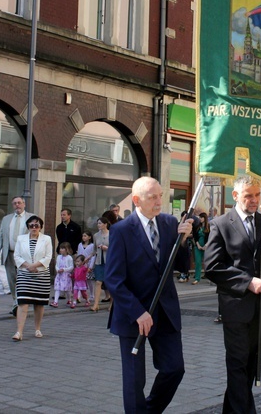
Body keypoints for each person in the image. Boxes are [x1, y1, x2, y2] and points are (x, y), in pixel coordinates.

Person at [204, 174, 261, 414]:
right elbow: (212, 267)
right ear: (235, 196)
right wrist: (247, 282)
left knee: (251, 365)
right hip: (236, 305)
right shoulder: (221, 224)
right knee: (237, 364)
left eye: (257, 195)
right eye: (248, 196)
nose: (254, 200)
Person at [104, 176, 193, 413]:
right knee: (135, 382)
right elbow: (113, 279)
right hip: (133, 315)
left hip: (165, 312)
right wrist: (138, 312)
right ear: (136, 200)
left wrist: (183, 241)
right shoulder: (121, 230)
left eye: (161, 195)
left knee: (174, 369)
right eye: (152, 197)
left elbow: (183, 266)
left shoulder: (169, 223)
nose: (158, 201)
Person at [11, 215, 53, 341]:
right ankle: (19, 332)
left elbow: (48, 256)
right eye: (31, 225)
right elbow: (17, 256)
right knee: (22, 302)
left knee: (39, 304)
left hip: (41, 275)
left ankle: (37, 328)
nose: (34, 227)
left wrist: (35, 265)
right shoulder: (21, 239)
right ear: (28, 227)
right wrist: (28, 266)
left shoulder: (46, 239)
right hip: (24, 274)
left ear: (40, 227)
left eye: (37, 225)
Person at [0, 196, 32, 313]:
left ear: (24, 204)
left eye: (19, 203)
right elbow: (0, 237)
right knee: (12, 280)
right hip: (9, 254)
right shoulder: (6, 219)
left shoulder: (31, 218)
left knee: (22, 279)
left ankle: (22, 302)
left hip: (24, 256)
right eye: (15, 203)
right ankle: (16, 302)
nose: (17, 205)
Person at [91, 216, 110, 310]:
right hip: (99, 261)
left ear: (105, 224)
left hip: (109, 261)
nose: (98, 225)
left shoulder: (112, 234)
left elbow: (116, 249)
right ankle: (96, 304)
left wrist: (107, 248)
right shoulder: (96, 235)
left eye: (100, 223)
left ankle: (112, 304)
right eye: (97, 223)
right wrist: (88, 259)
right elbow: (94, 249)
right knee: (98, 282)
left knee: (110, 283)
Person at [51, 243, 73, 308]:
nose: (61, 250)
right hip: (59, 276)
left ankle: (69, 299)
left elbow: (71, 267)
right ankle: (55, 302)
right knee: (57, 288)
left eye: (63, 248)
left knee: (67, 290)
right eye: (60, 248)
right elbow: (57, 265)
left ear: (67, 250)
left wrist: (64, 269)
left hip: (66, 276)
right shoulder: (58, 257)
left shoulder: (69, 258)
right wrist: (57, 270)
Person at [76, 232, 95, 302]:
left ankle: (92, 295)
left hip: (88, 265)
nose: (83, 237)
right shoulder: (80, 245)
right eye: (83, 236)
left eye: (85, 236)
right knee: (80, 280)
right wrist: (78, 263)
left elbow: (93, 256)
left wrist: (91, 266)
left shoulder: (92, 246)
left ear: (89, 237)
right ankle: (78, 296)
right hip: (81, 266)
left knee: (89, 281)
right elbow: (79, 254)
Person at [192, 212, 210, 285]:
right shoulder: (197, 226)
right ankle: (197, 278)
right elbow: (195, 237)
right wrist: (198, 245)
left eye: (201, 217)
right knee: (198, 262)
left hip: (207, 247)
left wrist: (206, 246)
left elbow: (211, 237)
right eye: (199, 217)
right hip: (198, 246)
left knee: (207, 263)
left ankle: (209, 278)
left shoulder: (208, 226)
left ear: (204, 218)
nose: (200, 219)